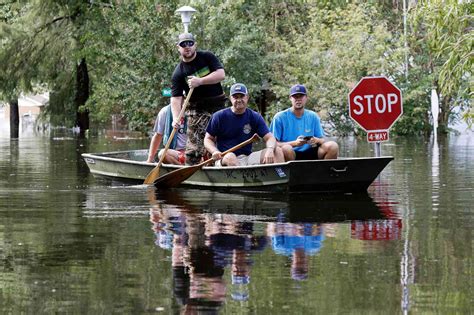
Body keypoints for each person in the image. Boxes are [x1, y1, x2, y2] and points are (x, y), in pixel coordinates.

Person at [170, 33, 227, 165]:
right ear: (178, 47)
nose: (187, 47)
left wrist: (200, 81)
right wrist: (175, 118)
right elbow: (176, 98)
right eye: (183, 44)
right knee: (194, 150)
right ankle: (192, 171)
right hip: (196, 111)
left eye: (190, 43)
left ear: (195, 45)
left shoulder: (207, 57)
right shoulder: (178, 73)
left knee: (221, 141)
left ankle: (222, 167)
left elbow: (221, 74)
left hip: (217, 107)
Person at [204, 83, 285, 166]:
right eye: (235, 97)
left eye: (242, 96)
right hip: (224, 158)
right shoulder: (219, 116)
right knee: (230, 157)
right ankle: (240, 178)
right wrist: (215, 151)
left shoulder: (255, 116)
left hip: (247, 157)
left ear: (247, 97)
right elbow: (208, 139)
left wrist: (270, 149)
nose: (239, 100)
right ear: (230, 98)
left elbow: (270, 137)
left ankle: (280, 178)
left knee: (277, 150)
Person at [270, 84, 339, 161]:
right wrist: (295, 143)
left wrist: (316, 140)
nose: (298, 99)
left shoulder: (313, 116)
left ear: (306, 98)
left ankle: (324, 172)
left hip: (311, 151)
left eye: (301, 96)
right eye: (295, 96)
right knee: (286, 148)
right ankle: (292, 172)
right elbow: (273, 144)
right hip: (291, 153)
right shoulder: (279, 117)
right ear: (290, 98)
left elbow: (322, 140)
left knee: (333, 146)